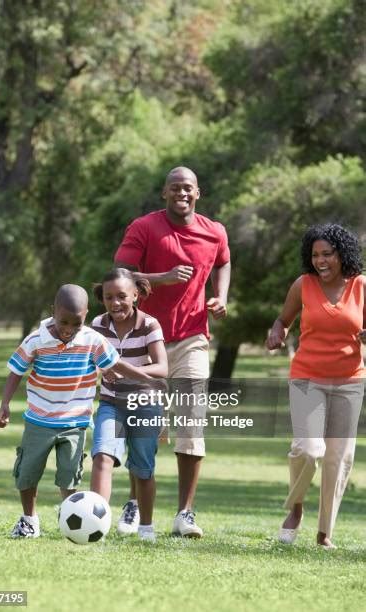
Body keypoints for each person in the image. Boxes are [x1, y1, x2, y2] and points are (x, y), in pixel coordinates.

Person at [114, 166, 231, 537]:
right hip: (147, 339)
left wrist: (221, 295)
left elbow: (224, 261)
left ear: (198, 193)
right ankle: (134, 505)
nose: (182, 193)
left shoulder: (215, 232)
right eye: (175, 188)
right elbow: (121, 274)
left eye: (188, 188)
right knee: (145, 426)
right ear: (164, 193)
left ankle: (185, 514)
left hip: (193, 337)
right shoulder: (144, 227)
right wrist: (161, 279)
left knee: (191, 425)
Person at [0, 284, 154, 538]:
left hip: (75, 423)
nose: (68, 329)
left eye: (76, 323)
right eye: (63, 322)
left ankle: (71, 516)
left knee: (69, 477)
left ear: (86, 315)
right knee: (27, 473)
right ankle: (29, 520)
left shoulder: (92, 340)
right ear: (53, 312)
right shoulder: (36, 339)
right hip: (39, 420)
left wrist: (147, 379)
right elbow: (16, 370)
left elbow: (116, 364)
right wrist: (5, 403)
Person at [267, 223, 366, 549]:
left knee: (339, 459)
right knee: (308, 450)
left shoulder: (361, 286)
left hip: (350, 381)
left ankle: (325, 533)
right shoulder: (303, 285)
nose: (321, 260)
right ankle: (295, 508)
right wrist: (277, 331)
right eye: (315, 255)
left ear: (343, 254)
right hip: (308, 377)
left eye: (328, 254)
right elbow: (283, 320)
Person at [90, 268, 168, 542]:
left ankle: (146, 527)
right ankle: (95, 524)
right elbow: (89, 359)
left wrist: (124, 370)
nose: (115, 303)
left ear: (135, 295)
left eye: (122, 296)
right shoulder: (97, 325)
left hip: (145, 402)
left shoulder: (149, 325)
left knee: (142, 468)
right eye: (109, 297)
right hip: (111, 402)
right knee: (102, 456)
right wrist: (100, 370)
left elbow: (162, 367)